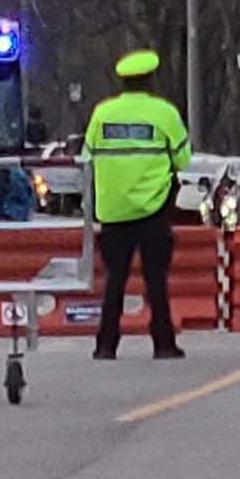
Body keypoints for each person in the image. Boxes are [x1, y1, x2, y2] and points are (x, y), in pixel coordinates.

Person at [84, 49, 190, 360]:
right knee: (156, 278)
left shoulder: (102, 113)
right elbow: (182, 159)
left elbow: (87, 158)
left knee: (114, 279)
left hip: (113, 210)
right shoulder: (164, 112)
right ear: (150, 80)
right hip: (153, 208)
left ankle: (106, 344)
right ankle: (163, 343)